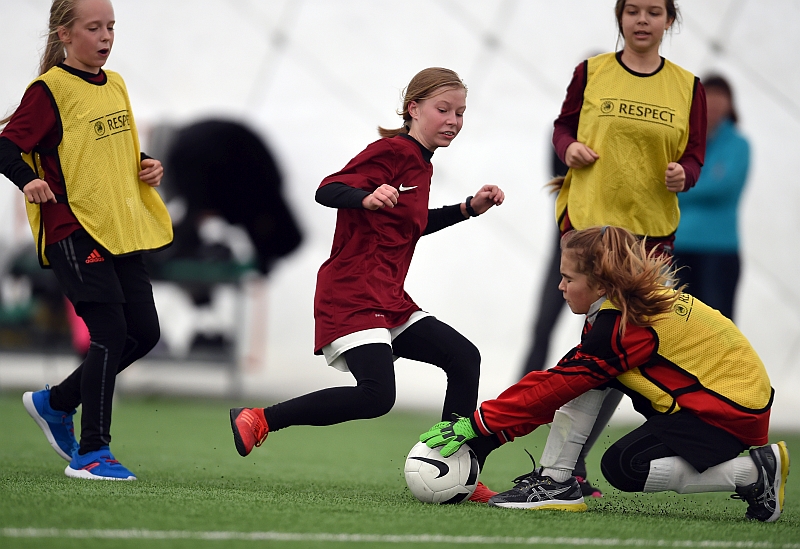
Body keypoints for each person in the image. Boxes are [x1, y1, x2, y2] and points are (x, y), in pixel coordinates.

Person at [229, 67, 504, 502]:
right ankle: (261, 418)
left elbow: (410, 225)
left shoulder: (422, 164)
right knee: (377, 396)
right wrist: (365, 197)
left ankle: (459, 470)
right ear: (413, 109)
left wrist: (468, 208)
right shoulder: (392, 151)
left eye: (461, 112)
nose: (454, 120)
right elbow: (328, 189)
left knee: (463, 357)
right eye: (443, 109)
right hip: (352, 292)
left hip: (389, 297)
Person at [420, 226, 788, 523]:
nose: (560, 286)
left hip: (729, 414)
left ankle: (754, 473)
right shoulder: (617, 309)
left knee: (624, 467)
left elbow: (554, 388)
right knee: (586, 379)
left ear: (599, 284)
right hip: (723, 401)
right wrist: (490, 437)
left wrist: (478, 424)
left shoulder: (626, 327)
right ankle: (555, 483)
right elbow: (561, 382)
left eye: (568, 278)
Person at [0, 0, 173, 480]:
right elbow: (6, 145)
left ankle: (55, 403)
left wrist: (145, 162)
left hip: (119, 228)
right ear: (64, 34)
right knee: (110, 332)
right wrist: (25, 180)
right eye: (93, 27)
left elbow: (99, 147)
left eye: (111, 27)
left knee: (144, 333)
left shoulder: (113, 83)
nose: (105, 37)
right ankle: (93, 453)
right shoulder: (48, 90)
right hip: (72, 230)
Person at [544, 0, 709, 491]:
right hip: (590, 228)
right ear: (619, 17)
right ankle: (566, 469)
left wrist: (687, 174)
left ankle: (567, 468)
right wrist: (568, 148)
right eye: (633, 10)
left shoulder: (687, 86)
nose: (642, 20)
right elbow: (562, 128)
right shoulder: (591, 72)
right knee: (598, 346)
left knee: (616, 350)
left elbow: (695, 154)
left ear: (669, 21)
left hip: (649, 237)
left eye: (653, 12)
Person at [674, 74, 749, 320]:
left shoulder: (738, 145)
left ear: (730, 104)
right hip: (679, 248)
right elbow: (664, 185)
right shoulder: (682, 142)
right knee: (679, 326)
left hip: (720, 251)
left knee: (717, 325)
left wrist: (683, 184)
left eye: (720, 97)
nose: (715, 103)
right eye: (709, 96)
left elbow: (725, 186)